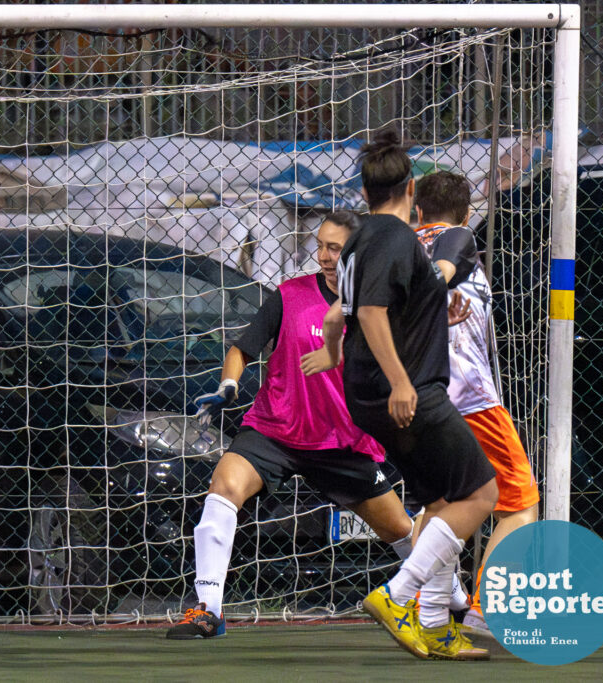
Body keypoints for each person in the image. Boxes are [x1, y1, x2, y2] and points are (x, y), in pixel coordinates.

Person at [166, 211, 417, 640]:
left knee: (399, 529)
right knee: (223, 487)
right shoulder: (290, 295)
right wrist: (228, 385)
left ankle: (452, 598)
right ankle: (208, 609)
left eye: (333, 248)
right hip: (275, 430)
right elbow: (242, 349)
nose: (321, 255)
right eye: (319, 245)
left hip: (341, 441)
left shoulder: (379, 308)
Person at [302, 131, 498, 661]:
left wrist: (336, 353)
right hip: (405, 393)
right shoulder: (392, 237)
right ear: (410, 188)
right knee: (483, 495)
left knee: (440, 504)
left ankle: (435, 623)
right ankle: (398, 594)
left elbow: (339, 311)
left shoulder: (359, 241)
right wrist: (404, 381)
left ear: (363, 192)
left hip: (374, 391)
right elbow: (368, 312)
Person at [412, 171, 539, 637]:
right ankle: (487, 610)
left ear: (417, 210)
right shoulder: (460, 239)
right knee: (520, 504)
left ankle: (425, 608)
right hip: (469, 398)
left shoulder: (395, 248)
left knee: (441, 503)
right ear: (466, 215)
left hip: (415, 396)